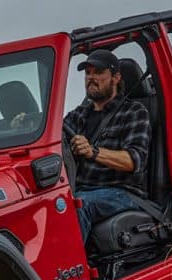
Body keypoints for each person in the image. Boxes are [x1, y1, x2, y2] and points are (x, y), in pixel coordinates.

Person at [62, 49, 152, 244]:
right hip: (81, 189)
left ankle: (74, 272)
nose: (91, 78)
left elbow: (134, 160)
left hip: (122, 192)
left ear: (116, 77)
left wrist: (92, 152)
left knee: (78, 204)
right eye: (87, 73)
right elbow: (54, 140)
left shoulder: (134, 112)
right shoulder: (78, 115)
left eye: (98, 72)